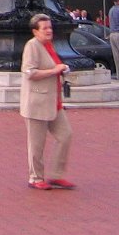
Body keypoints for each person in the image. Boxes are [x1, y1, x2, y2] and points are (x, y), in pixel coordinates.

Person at [20, 14, 74, 191]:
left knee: (65, 135)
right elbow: (30, 73)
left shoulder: (49, 46)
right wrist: (54, 70)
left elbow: (54, 67)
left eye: (50, 27)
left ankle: (57, 175)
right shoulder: (32, 46)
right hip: (37, 102)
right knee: (37, 143)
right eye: (45, 28)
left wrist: (62, 69)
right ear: (35, 31)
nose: (49, 31)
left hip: (54, 101)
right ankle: (35, 177)